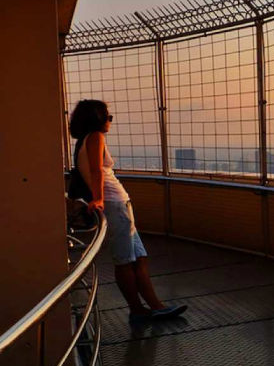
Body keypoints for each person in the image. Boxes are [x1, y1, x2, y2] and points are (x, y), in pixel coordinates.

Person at [69, 100, 187, 324]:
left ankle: (155, 306)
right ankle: (137, 310)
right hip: (113, 203)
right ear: (97, 118)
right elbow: (96, 170)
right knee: (124, 260)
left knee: (139, 258)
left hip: (119, 203)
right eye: (108, 117)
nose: (110, 121)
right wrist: (99, 198)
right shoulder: (95, 137)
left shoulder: (83, 141)